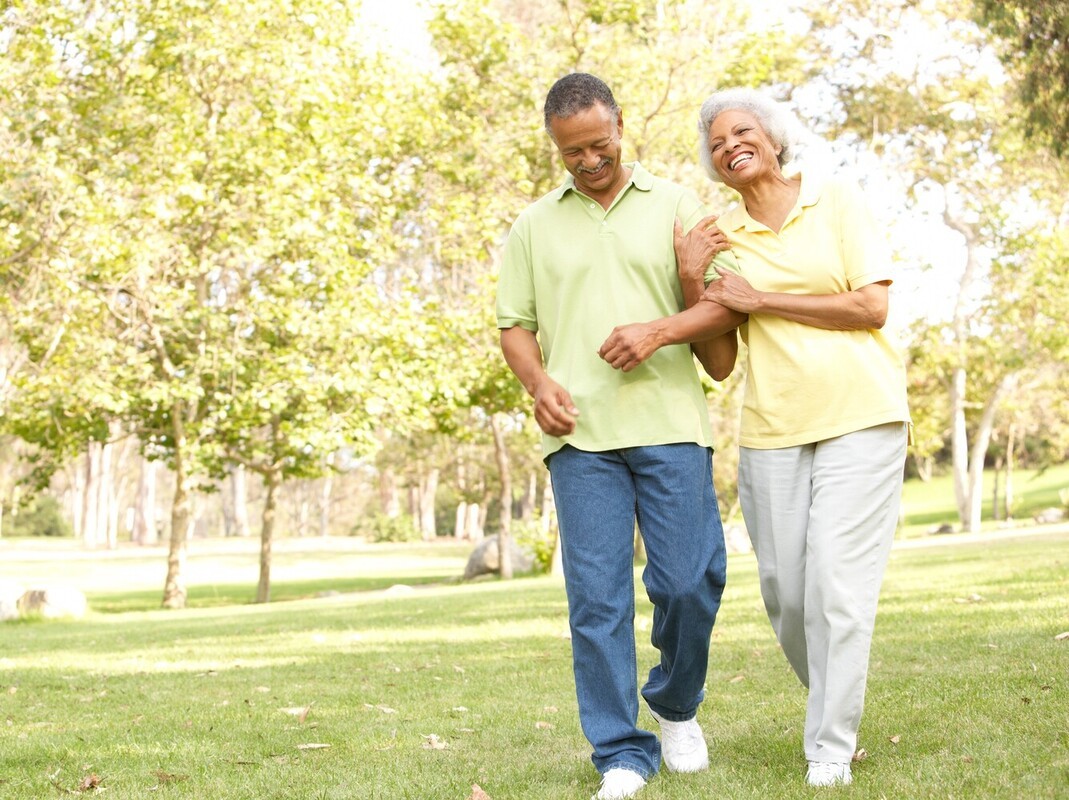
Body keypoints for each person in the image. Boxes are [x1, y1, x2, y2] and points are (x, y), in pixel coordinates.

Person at [600, 87, 912, 788]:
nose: (728, 145)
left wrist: (762, 299)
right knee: (787, 596)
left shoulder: (834, 201)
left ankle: (829, 748)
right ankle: (834, 705)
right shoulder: (723, 238)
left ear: (773, 139)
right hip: (772, 429)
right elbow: (719, 361)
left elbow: (871, 305)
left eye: (741, 132)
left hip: (861, 415)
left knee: (835, 586)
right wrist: (690, 279)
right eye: (714, 143)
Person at [495, 72, 744, 800]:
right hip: (581, 442)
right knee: (596, 601)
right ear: (555, 148)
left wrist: (665, 317)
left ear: (621, 126)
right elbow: (515, 326)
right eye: (570, 153)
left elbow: (725, 318)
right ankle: (620, 754)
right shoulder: (533, 226)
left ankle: (672, 701)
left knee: (690, 579)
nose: (587, 162)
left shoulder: (676, 206)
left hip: (669, 425)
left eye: (598, 145)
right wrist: (539, 386)